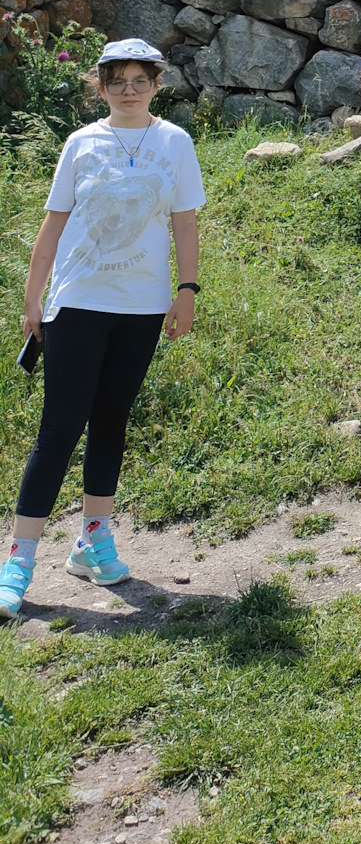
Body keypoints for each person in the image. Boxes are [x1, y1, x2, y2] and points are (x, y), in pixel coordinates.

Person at [0, 40, 204, 622]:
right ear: (103, 86)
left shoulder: (175, 142)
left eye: (141, 79)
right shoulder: (81, 142)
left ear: (157, 85)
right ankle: (18, 560)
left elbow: (184, 222)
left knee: (112, 419)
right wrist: (31, 296)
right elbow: (54, 221)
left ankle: (92, 541)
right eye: (118, 80)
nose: (130, 89)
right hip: (78, 301)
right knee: (60, 427)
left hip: (141, 305)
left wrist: (186, 291)